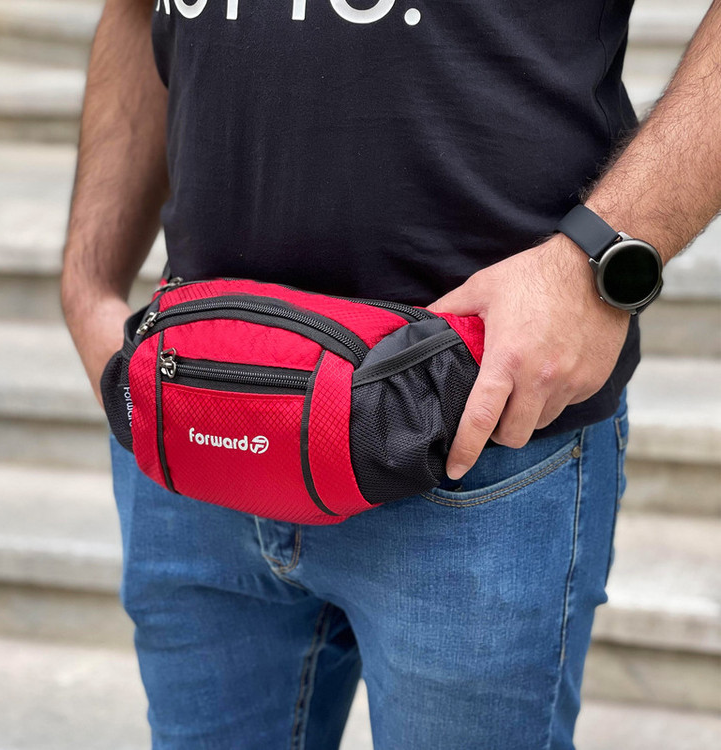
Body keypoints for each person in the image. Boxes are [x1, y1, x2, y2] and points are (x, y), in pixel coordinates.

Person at [61, 1, 721, 747]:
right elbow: (133, 13)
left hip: (471, 426)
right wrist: (88, 287)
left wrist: (600, 256)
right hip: (194, 421)